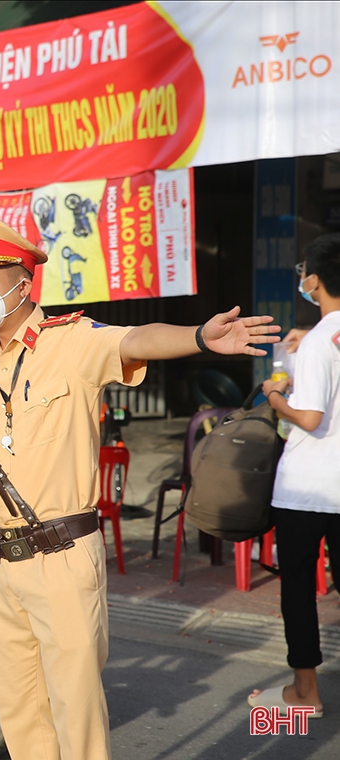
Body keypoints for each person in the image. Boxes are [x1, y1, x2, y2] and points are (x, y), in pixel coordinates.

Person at [0, 211, 279, 760]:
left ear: (24, 283)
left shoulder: (71, 342)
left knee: (76, 712)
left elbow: (137, 338)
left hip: (62, 556)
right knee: (22, 717)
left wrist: (199, 336)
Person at [249, 233, 340, 718]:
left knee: (299, 589)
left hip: (307, 488)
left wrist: (274, 396)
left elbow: (308, 418)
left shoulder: (322, 340)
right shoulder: (323, 336)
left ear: (317, 280)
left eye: (306, 270)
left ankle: (306, 690)